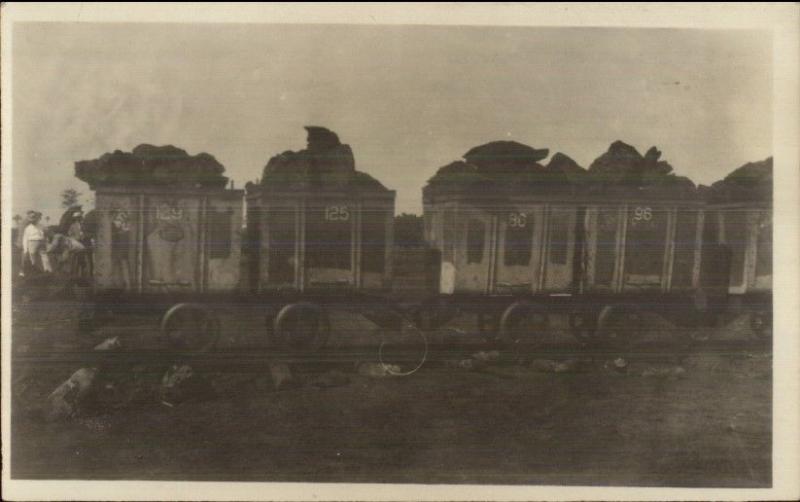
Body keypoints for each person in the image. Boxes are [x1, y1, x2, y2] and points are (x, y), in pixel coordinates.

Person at [21, 211, 45, 276]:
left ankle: (47, 270)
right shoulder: (28, 228)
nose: (33, 220)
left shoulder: (40, 226)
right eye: (31, 219)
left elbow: (42, 234)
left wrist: (43, 240)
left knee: (44, 256)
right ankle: (30, 271)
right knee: (32, 257)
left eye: (34, 218)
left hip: (40, 242)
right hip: (32, 242)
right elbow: (25, 238)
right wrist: (25, 248)